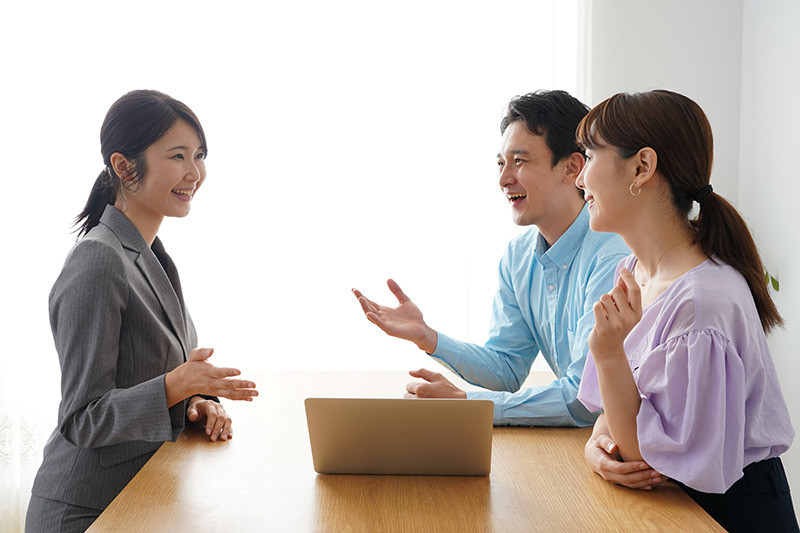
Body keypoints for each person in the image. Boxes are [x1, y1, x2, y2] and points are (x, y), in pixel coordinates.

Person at [26, 90, 259, 532]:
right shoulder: (98, 260)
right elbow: (82, 419)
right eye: (177, 156)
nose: (195, 173)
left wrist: (195, 403)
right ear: (123, 165)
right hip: (87, 513)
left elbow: (149, 377)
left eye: (199, 155)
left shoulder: (155, 255)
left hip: (141, 500)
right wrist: (175, 386)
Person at [575, 89, 797, 531]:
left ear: (642, 167)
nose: (580, 177)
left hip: (724, 515)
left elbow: (652, 455)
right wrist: (596, 449)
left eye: (589, 154)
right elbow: (619, 418)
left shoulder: (700, 302)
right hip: (672, 509)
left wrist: (607, 353)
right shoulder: (633, 271)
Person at [352, 90, 629, 426]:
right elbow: (506, 368)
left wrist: (469, 404)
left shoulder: (613, 255)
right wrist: (429, 337)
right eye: (501, 163)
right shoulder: (518, 256)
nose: (503, 180)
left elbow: (585, 400)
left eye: (520, 161)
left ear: (572, 167)